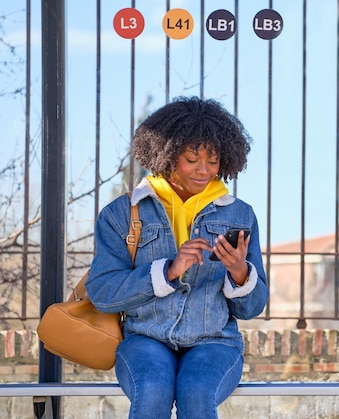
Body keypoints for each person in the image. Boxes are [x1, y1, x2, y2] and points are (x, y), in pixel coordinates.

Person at [86, 96, 269, 418]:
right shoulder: (121, 214)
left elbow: (251, 308)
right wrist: (169, 271)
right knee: (154, 390)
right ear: (168, 156)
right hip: (145, 338)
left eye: (213, 162)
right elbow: (102, 294)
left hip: (215, 341)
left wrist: (240, 272)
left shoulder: (241, 214)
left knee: (196, 393)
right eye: (191, 159)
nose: (203, 170)